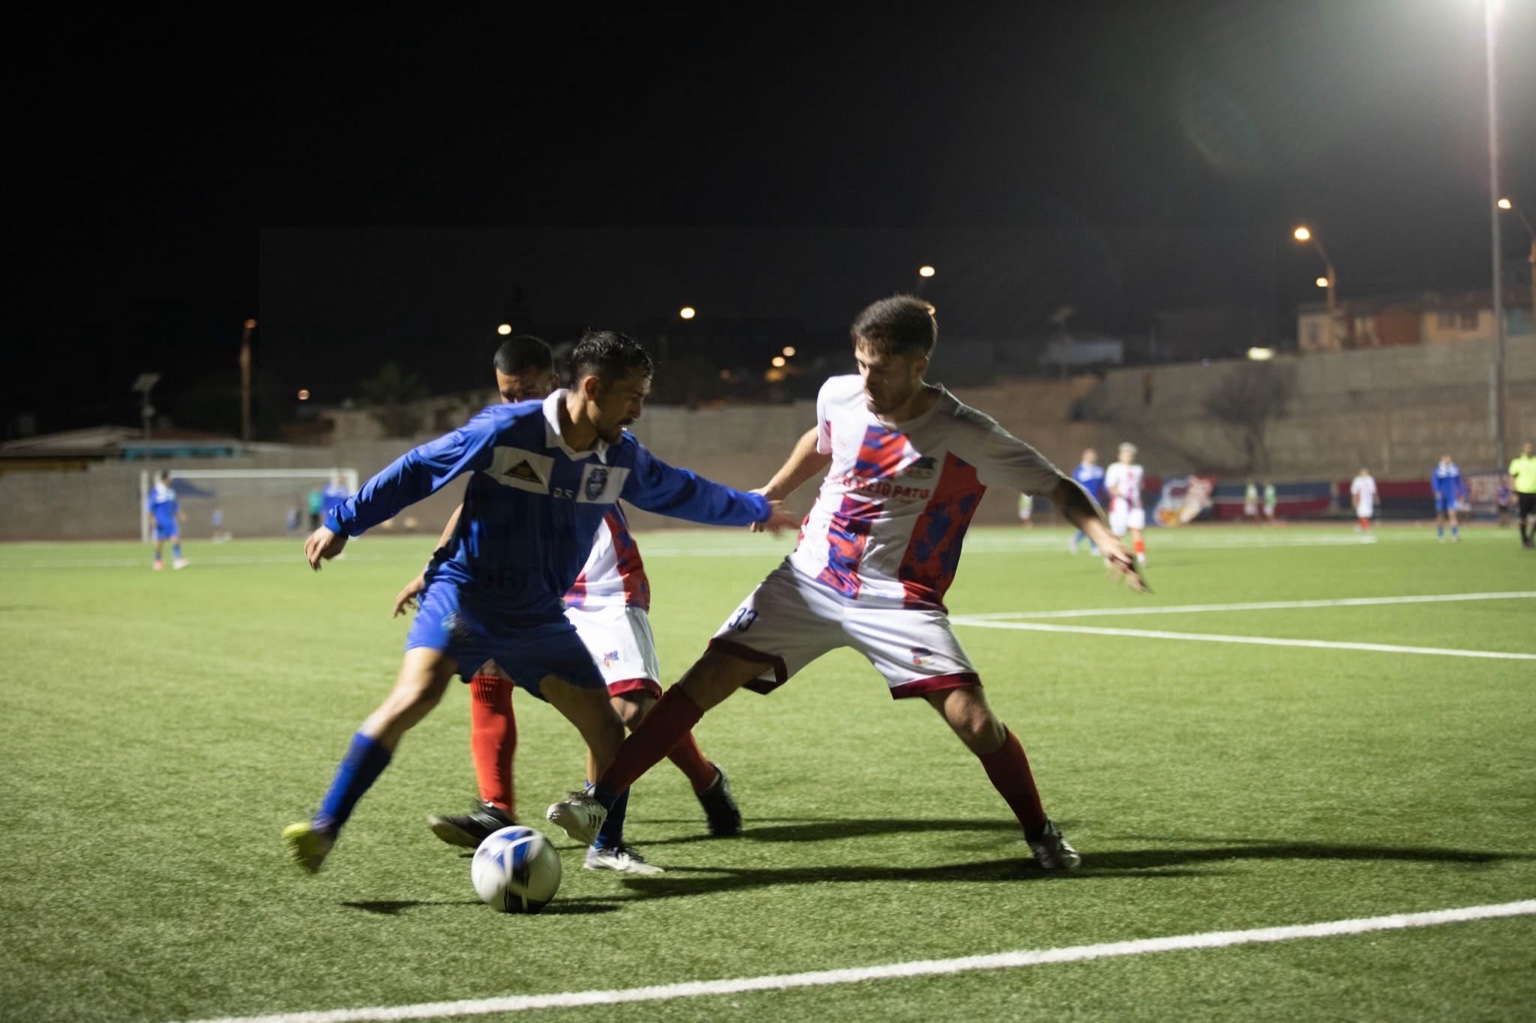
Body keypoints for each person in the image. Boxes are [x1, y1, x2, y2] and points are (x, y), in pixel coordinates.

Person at [547, 295, 1145, 872]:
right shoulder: (840, 394)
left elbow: (1058, 486)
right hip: (809, 579)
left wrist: (1106, 537)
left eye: (881, 370)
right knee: (701, 682)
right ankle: (599, 797)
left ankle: (1040, 833)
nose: (867, 380)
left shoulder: (964, 430)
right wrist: (774, 491)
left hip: (894, 596)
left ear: (919, 366)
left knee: (976, 721)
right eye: (861, 364)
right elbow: (822, 439)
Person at [282, 331, 796, 874]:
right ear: (593, 387)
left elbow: (682, 489)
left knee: (604, 727)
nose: (639, 410)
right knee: (413, 698)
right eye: (632, 396)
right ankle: (325, 827)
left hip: (538, 615)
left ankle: (606, 847)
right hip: (467, 594)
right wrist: (345, 521)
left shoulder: (619, 456)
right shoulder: (508, 429)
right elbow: (419, 468)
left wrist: (753, 509)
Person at [394, 335, 743, 875]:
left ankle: (703, 778)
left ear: (560, 387)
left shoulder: (595, 430)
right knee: (489, 672)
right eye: (508, 396)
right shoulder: (512, 433)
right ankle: (497, 810)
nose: (516, 407)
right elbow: (476, 502)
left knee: (632, 711)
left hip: (601, 583)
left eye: (527, 393)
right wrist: (434, 565)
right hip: (527, 587)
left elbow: (660, 482)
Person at [1103, 442, 1147, 565]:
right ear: (1120, 455)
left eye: (1130, 454)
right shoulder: (1114, 468)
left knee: (1137, 530)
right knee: (1117, 534)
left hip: (1135, 505)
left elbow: (1140, 486)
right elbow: (1110, 486)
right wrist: (1121, 494)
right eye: (1125, 453)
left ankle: (1141, 557)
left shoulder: (1138, 469)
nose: (1128, 456)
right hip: (1119, 505)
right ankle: (1112, 556)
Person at [146, 471, 188, 570]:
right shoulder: (156, 491)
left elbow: (175, 505)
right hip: (160, 519)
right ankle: (157, 560)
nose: (170, 480)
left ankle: (177, 560)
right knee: (160, 541)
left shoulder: (171, 491)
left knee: (175, 538)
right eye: (169, 478)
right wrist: (151, 518)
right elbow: (150, 506)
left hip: (170, 519)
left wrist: (180, 513)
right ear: (164, 479)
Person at [1068, 449, 1106, 554]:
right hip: (1083, 501)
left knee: (1093, 524)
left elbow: (1103, 487)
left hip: (1097, 501)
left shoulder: (1099, 470)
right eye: (1088, 456)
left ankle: (1076, 540)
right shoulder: (1079, 471)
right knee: (1092, 523)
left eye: (1092, 456)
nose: (1091, 458)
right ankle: (1093, 547)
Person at [1432, 454, 1463, 543]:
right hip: (1441, 496)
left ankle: (1455, 534)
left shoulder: (1454, 469)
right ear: (1442, 459)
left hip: (1451, 495)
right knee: (1440, 516)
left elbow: (1459, 482)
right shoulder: (1438, 470)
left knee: (1452, 514)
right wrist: (1437, 491)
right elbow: (1435, 482)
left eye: (1448, 458)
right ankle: (1441, 535)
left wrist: (1461, 493)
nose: (1447, 460)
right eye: (1445, 458)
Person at [1510, 440, 1536, 550]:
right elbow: (1512, 477)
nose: (1529, 449)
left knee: (1534, 519)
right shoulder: (1518, 462)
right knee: (1523, 518)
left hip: (1534, 493)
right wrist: (1514, 492)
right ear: (1524, 449)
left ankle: (1531, 537)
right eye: (1527, 447)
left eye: (1531, 447)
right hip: (1522, 493)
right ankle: (1524, 539)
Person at [1349, 468, 1378, 537]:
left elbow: (1373, 490)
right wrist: (1354, 500)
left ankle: (1360, 526)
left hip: (1368, 500)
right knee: (1362, 514)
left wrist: (1375, 498)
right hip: (1361, 500)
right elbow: (1354, 491)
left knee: (1367, 514)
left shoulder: (1370, 480)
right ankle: (1366, 527)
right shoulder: (1357, 480)